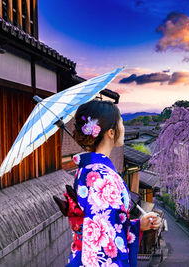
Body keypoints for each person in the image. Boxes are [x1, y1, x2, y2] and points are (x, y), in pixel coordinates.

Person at [65, 100, 161, 267]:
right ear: (111, 132)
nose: (123, 128)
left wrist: (138, 226)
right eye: (121, 123)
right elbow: (101, 239)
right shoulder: (101, 176)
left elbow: (109, 223)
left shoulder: (89, 168)